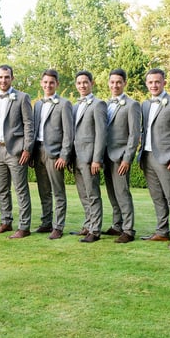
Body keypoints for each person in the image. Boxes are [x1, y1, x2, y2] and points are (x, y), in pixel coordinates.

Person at [139, 68, 170, 249]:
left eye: (157, 82)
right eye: (150, 82)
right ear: (146, 84)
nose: (154, 85)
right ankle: (162, 231)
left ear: (164, 82)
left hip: (167, 158)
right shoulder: (144, 105)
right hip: (147, 156)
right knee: (157, 197)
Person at [0, 64, 34, 239]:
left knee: (20, 189)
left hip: (16, 150)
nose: (3, 80)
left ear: (12, 78)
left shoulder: (22, 97)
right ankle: (6, 222)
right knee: (2, 190)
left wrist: (27, 148)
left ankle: (24, 226)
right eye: (0, 77)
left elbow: (29, 124)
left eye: (6, 77)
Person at [31, 69, 73, 239]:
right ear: (41, 83)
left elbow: (69, 133)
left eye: (51, 82)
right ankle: (46, 223)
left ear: (57, 84)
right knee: (44, 190)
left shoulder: (64, 104)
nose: (48, 85)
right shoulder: (37, 104)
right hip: (38, 151)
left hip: (55, 154)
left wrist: (64, 155)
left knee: (58, 191)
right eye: (45, 82)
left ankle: (58, 226)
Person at [102, 69, 141, 243]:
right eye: (112, 82)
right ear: (108, 83)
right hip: (106, 156)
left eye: (119, 82)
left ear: (125, 83)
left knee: (123, 193)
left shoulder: (132, 105)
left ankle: (128, 230)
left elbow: (134, 134)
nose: (115, 85)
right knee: (112, 193)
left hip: (121, 157)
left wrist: (127, 158)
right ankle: (117, 225)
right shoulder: (105, 104)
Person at [70, 70, 107, 243]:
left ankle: (95, 230)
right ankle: (87, 225)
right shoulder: (75, 106)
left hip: (90, 157)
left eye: (85, 82)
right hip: (76, 157)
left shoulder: (98, 105)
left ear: (92, 83)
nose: (82, 85)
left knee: (93, 194)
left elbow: (101, 134)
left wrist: (96, 159)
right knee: (83, 194)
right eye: (79, 83)